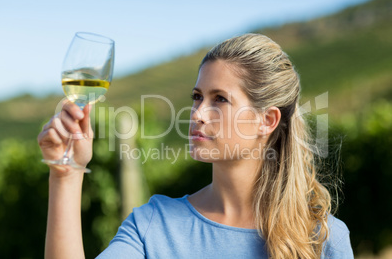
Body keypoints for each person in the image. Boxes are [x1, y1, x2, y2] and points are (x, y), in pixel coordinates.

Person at [38, 33, 354, 258]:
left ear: (267, 120)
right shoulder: (154, 226)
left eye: (220, 99)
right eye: (197, 97)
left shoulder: (323, 238)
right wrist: (66, 174)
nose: (198, 114)